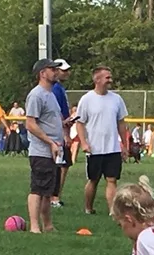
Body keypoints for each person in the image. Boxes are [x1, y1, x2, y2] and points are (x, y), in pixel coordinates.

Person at [75, 65, 128, 216]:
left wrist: (124, 144)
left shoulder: (116, 99)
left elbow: (121, 123)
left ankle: (113, 211)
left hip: (112, 148)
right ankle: (88, 208)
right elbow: (80, 123)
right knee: (93, 180)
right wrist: (84, 143)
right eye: (107, 77)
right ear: (97, 80)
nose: (110, 80)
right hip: (94, 148)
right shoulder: (87, 99)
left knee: (112, 180)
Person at [24, 58, 64, 234]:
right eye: (52, 69)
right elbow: (30, 124)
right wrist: (50, 142)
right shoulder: (36, 95)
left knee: (48, 191)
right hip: (41, 150)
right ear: (42, 73)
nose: (56, 72)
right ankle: (34, 226)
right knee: (38, 189)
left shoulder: (51, 94)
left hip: (54, 150)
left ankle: (48, 225)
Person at [49, 59, 73, 209]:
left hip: (62, 129)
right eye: (63, 70)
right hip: (58, 133)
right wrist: (65, 134)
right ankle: (54, 196)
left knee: (64, 164)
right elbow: (57, 113)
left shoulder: (59, 88)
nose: (67, 73)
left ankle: (56, 195)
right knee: (59, 164)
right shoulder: (56, 89)